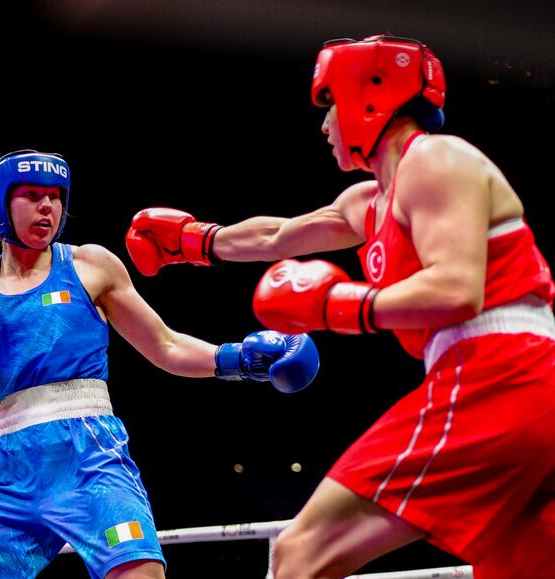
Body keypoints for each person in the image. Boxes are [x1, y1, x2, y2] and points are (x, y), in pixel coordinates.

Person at [125, 35, 555, 579]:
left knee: (300, 552)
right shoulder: (370, 201)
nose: (325, 126)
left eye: (330, 107)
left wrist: (333, 305)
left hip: (498, 374)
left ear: (368, 95)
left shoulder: (437, 160)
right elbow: (279, 235)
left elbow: (456, 289)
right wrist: (195, 241)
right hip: (524, 390)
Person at [0, 149, 320, 579]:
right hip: (12, 468)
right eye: (31, 194)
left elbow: (165, 344)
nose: (47, 206)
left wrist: (240, 359)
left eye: (55, 195)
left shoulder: (89, 265)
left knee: (141, 574)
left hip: (90, 454)